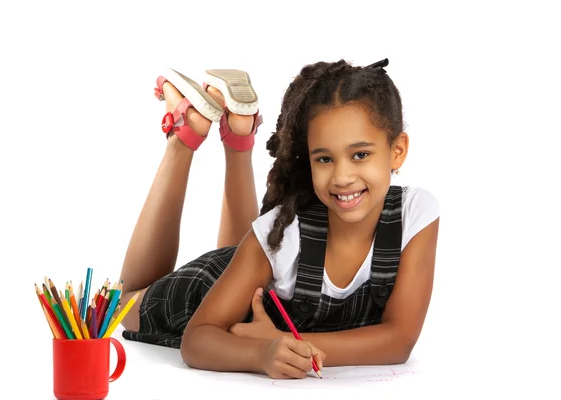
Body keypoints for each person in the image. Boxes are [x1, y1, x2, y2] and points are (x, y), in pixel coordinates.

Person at [117, 59, 440, 380]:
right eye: (325, 158)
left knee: (243, 248)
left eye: (360, 155)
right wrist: (261, 353)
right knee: (123, 305)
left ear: (397, 150)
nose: (342, 177)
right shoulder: (284, 234)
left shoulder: (415, 214)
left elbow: (398, 341)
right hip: (207, 290)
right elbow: (196, 340)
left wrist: (279, 341)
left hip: (247, 274)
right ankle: (185, 136)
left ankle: (239, 134)